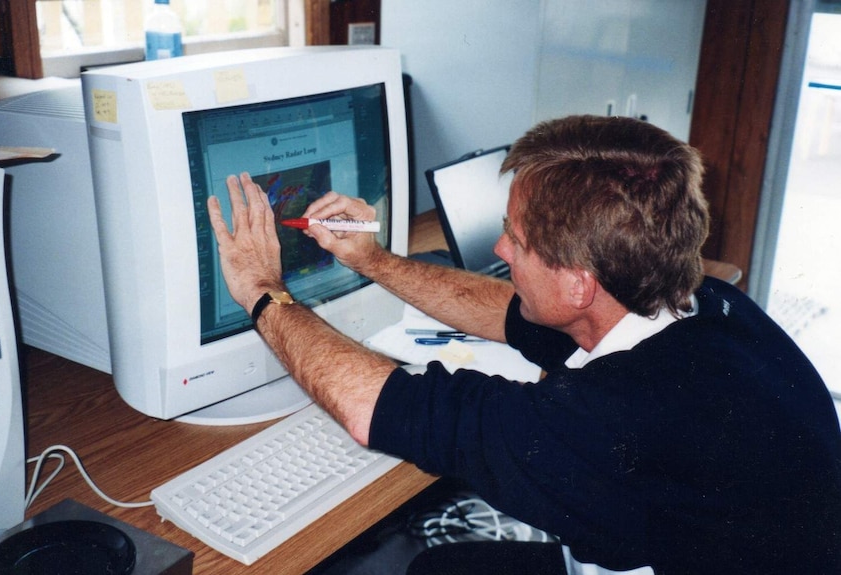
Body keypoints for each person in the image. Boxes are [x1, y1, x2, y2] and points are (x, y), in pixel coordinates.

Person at [207, 115, 841, 574]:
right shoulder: (708, 306)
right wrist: (374, 260)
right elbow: (509, 312)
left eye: (514, 237)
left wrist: (263, 291)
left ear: (577, 282)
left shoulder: (611, 416)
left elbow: (374, 406)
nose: (499, 250)